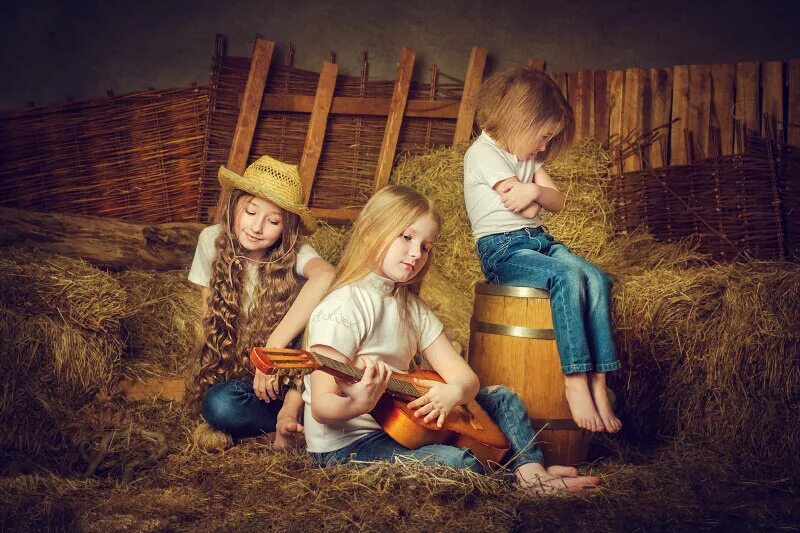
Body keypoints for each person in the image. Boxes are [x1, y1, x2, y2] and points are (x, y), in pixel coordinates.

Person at [302, 185, 600, 492]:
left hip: (405, 423)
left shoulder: (410, 307)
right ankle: (519, 483)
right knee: (456, 461)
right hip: (350, 444)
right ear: (368, 231)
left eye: (426, 246)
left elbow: (466, 379)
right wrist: (360, 403)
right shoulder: (342, 306)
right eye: (406, 237)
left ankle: (532, 470)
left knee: (503, 399)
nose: (416, 253)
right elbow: (322, 408)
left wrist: (453, 393)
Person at [463, 66, 621, 433]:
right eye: (544, 136)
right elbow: (529, 209)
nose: (544, 146)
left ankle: (599, 377)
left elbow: (555, 201)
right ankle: (576, 377)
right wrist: (535, 196)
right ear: (521, 120)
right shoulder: (483, 154)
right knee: (567, 275)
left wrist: (534, 190)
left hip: (539, 242)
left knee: (596, 276)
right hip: (504, 251)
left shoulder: (528, 159)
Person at [186, 155, 334, 449]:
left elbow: (327, 276)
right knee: (218, 404)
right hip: (245, 374)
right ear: (234, 206)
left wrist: (273, 349)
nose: (257, 227)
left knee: (319, 323)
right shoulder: (210, 240)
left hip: (289, 377)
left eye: (273, 220)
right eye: (250, 212)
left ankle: (290, 414)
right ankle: (281, 430)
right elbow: (209, 315)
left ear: (287, 227)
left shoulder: (297, 252)